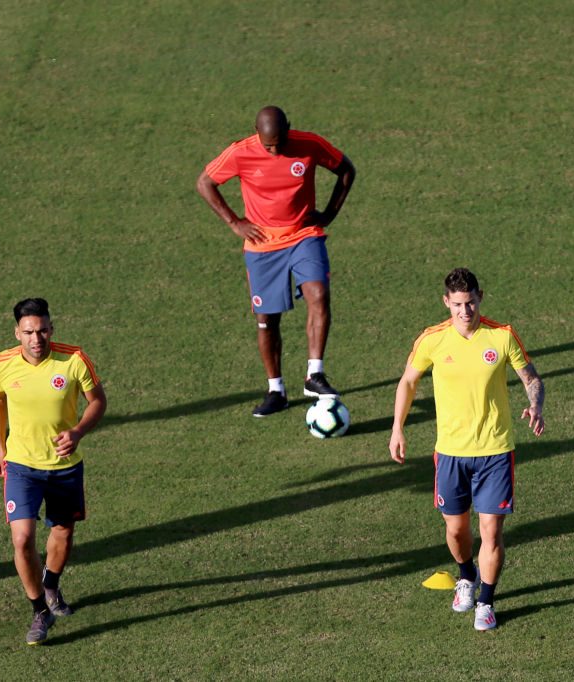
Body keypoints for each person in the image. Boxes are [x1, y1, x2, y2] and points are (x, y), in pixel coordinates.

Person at [389, 268, 545, 631]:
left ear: (480, 297)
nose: (465, 311)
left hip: (495, 451)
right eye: (457, 304)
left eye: (471, 302)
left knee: (491, 532)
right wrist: (397, 427)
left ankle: (486, 602)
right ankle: (466, 575)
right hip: (450, 453)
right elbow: (408, 382)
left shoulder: (501, 336)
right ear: (447, 302)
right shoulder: (432, 340)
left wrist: (535, 404)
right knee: (457, 531)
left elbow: (531, 378)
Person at [196, 105, 357, 417]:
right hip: (262, 245)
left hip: (303, 235)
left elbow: (346, 170)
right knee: (267, 320)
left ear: (289, 129)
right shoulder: (240, 153)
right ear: (257, 133)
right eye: (268, 145)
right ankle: (276, 390)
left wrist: (329, 214)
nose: (274, 150)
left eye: (280, 143)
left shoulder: (309, 144)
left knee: (319, 294)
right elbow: (205, 183)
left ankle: (314, 374)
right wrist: (234, 222)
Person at [0, 298, 107, 645]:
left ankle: (51, 584)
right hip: (22, 466)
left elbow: (97, 400)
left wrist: (78, 432)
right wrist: (0, 445)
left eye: (42, 331)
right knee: (22, 539)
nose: (36, 339)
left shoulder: (73, 360)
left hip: (64, 466)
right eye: (28, 332)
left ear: (52, 329)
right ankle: (39, 610)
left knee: (63, 535)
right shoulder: (0, 366)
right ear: (17, 333)